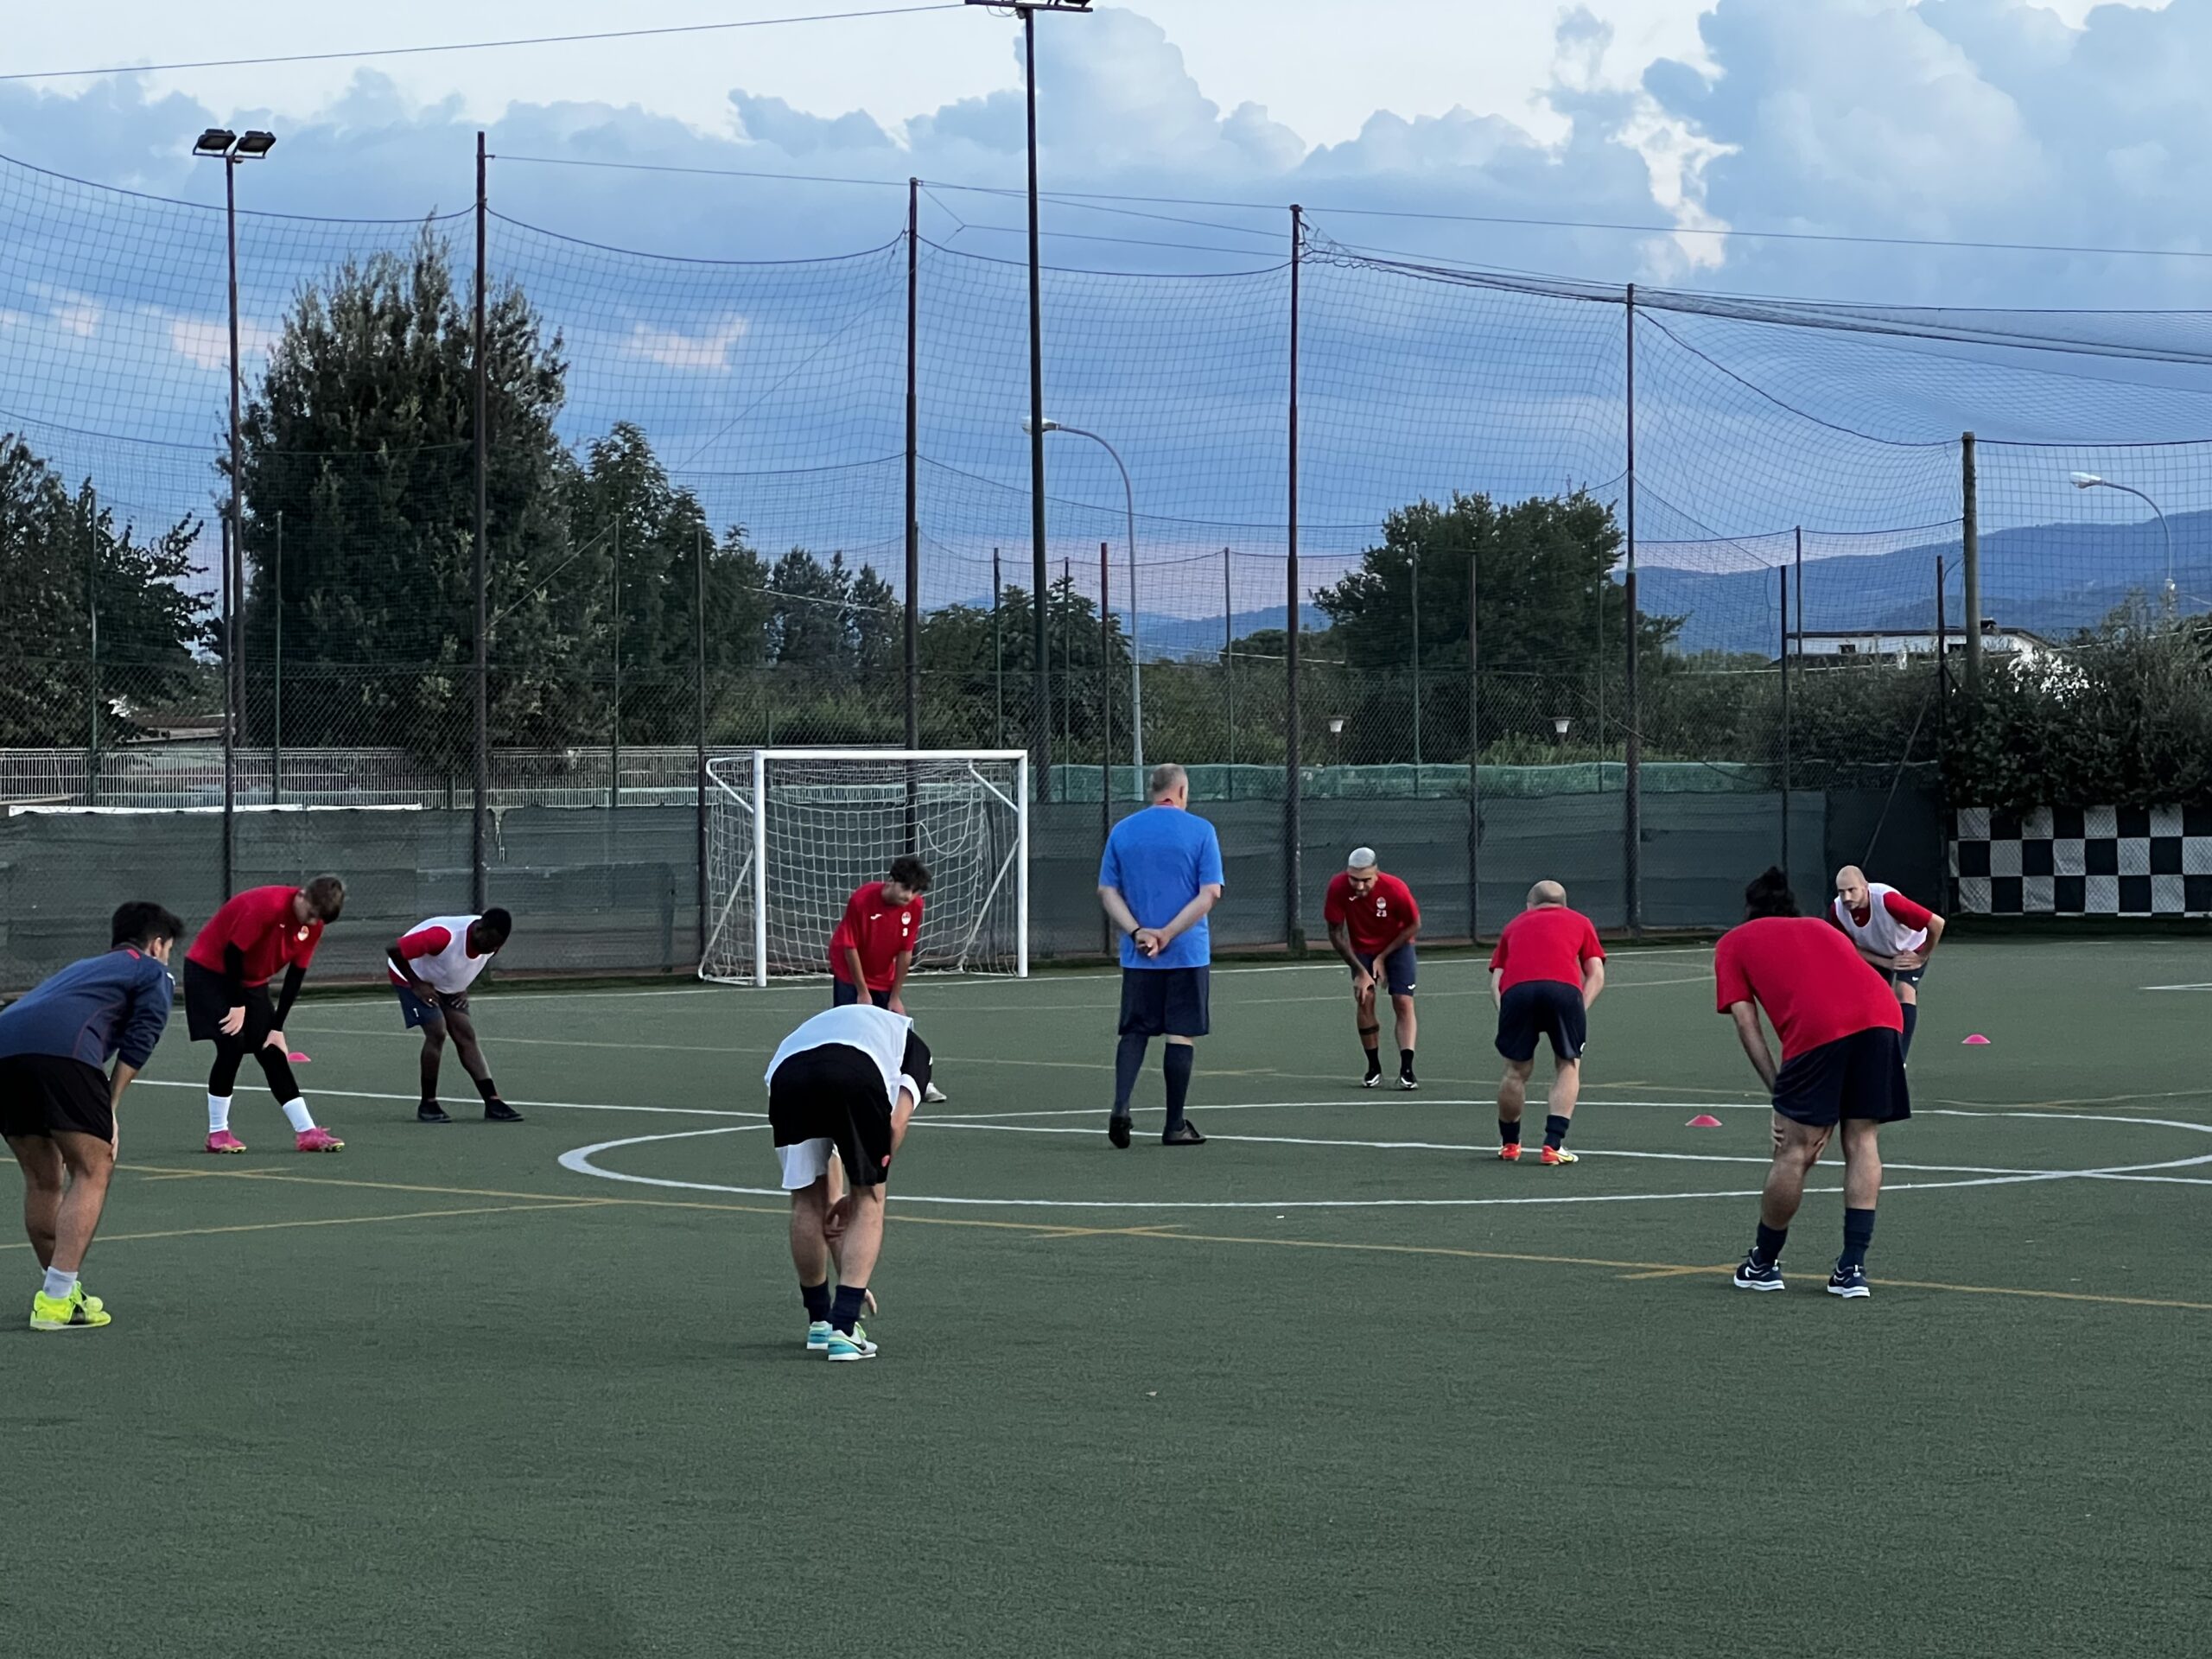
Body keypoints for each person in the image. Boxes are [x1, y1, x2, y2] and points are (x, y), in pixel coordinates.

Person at [1719, 867, 1909, 1300]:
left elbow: (1748, 1025)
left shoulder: (1735, 942)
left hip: (1821, 1029)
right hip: (1883, 1017)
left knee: (1795, 1149)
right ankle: (1852, 1269)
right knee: (1862, 1140)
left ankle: (1763, 1264)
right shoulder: (1825, 930)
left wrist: (1778, 1090)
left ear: (1749, 911)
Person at [0, 902, 181, 1331]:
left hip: (5, 1051)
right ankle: (57, 1299)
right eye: (169, 948)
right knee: (93, 1166)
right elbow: (142, 1036)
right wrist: (110, 1108)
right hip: (62, 1054)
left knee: (43, 1178)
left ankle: (60, 1290)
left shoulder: (85, 967)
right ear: (157, 944)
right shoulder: (152, 971)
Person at [765, 1002, 931, 1363]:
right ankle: (844, 1328)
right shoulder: (916, 1049)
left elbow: (833, 1151)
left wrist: (839, 1196)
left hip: (786, 1073)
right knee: (872, 1201)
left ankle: (820, 1321)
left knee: (806, 1200)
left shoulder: (845, 1026)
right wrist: (861, 1194)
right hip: (853, 1071)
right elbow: (895, 1125)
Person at [1098, 763, 1224, 1148]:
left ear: (1152, 790)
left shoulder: (1123, 830)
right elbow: (1210, 893)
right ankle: (1174, 1125)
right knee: (1180, 1033)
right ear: (1182, 791)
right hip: (1185, 952)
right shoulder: (1201, 830)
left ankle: (1121, 1106)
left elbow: (1108, 892)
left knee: (1135, 1031)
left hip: (1139, 954)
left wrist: (1139, 932)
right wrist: (1168, 934)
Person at [182, 876, 347, 1154]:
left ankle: (307, 1132)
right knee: (232, 1043)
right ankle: (217, 1133)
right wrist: (237, 1006)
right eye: (309, 914)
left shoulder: (313, 925)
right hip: (210, 972)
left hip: (251, 981)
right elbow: (233, 954)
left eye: (317, 919)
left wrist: (277, 1027)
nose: (310, 922)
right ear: (302, 896)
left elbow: (296, 975)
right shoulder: (266, 906)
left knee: (271, 1050)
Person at [1488, 880, 1606, 1165]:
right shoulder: (1581, 922)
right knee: (1568, 1064)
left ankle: (1509, 1145)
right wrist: (1580, 1008)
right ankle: (1553, 1145)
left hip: (1517, 993)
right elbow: (1596, 974)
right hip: (1563, 992)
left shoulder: (1514, 925)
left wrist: (1506, 1011)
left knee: (1515, 1070)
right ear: (1564, 904)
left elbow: (1496, 981)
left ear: (1529, 905)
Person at [387, 908, 524, 1124]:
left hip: (443, 981)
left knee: (465, 1034)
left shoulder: (493, 941)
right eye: (489, 942)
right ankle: (428, 1104)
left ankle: (493, 1101)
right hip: (411, 976)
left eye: (496, 945)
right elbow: (394, 949)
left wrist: (460, 985)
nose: (492, 949)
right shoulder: (443, 936)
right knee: (437, 1031)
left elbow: (468, 962)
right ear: (479, 929)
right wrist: (418, 985)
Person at [1323, 847, 1422, 1090]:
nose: (1359, 886)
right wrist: (1360, 970)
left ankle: (1407, 1069)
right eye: (1354, 879)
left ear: (1376, 874)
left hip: (1397, 946)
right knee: (1364, 997)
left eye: (1365, 880)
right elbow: (1335, 934)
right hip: (1362, 950)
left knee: (1403, 1001)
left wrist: (1383, 957)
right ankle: (1373, 1067)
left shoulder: (1395, 888)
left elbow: (1414, 925)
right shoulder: (1337, 887)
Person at [1832, 866, 1945, 1058]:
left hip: (1910, 948)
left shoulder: (1888, 900)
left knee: (1904, 991)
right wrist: (1885, 963)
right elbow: (1849, 949)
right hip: (1875, 951)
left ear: (1865, 887)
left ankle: (1899, 1059)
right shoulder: (1837, 911)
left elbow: (1936, 923)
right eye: (1842, 892)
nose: (1847, 897)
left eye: (1852, 890)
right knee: (1868, 997)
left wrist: (1922, 956)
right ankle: (1869, 1050)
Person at [829, 856, 931, 1013]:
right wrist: (863, 992)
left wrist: (895, 997)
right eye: (905, 888)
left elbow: (906, 951)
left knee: (888, 1023)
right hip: (848, 971)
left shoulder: (916, 906)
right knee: (850, 1023)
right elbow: (850, 947)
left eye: (915, 891)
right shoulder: (861, 900)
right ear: (891, 880)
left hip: (881, 973)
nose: (909, 896)